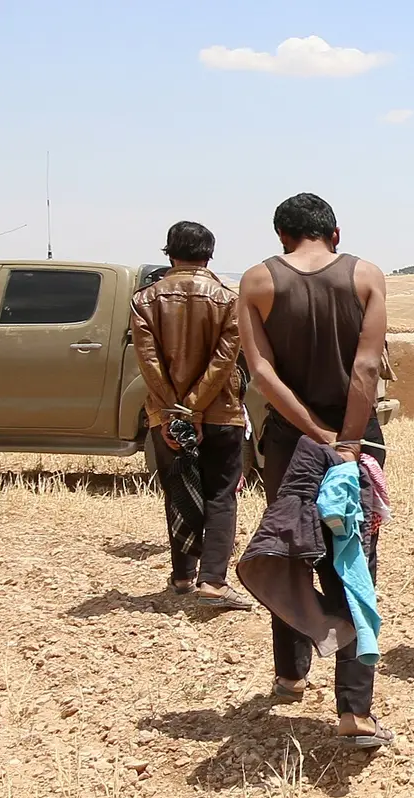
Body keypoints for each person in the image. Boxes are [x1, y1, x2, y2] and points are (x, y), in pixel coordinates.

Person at [238, 192, 394, 746]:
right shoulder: (366, 276)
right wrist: (346, 440)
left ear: (282, 237)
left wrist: (314, 433)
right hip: (358, 439)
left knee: (291, 547)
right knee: (353, 561)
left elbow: (262, 374)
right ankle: (355, 711)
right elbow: (367, 366)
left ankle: (290, 673)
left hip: (290, 442)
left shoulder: (258, 281)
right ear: (336, 232)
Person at [130, 221, 252, 610]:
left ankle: (183, 576)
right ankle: (213, 581)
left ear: (170, 253)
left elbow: (148, 362)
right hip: (221, 412)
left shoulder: (144, 299)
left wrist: (175, 412)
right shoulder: (229, 300)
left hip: (164, 414)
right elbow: (225, 360)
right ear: (209, 255)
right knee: (221, 494)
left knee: (178, 489)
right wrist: (195, 409)